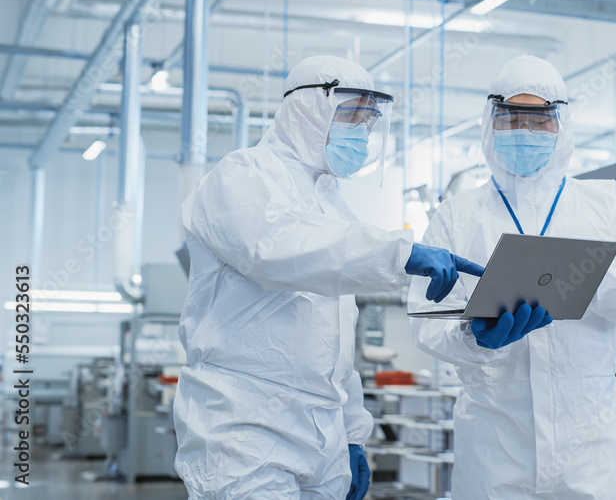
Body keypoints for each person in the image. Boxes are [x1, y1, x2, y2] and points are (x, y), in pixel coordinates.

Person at [173, 55, 483, 500]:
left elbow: (333, 342)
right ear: (306, 108)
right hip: (244, 428)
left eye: (369, 121)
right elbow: (273, 247)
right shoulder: (241, 174)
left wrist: (353, 431)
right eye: (351, 114)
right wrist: (401, 250)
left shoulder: (332, 206)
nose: (361, 132)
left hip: (324, 436)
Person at [408, 54, 616, 499]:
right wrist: (475, 339)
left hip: (590, 448)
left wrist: (579, 277)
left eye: (539, 120)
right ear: (491, 122)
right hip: (496, 445)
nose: (525, 132)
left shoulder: (604, 205)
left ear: (561, 125)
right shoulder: (458, 214)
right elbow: (423, 321)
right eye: (512, 118)